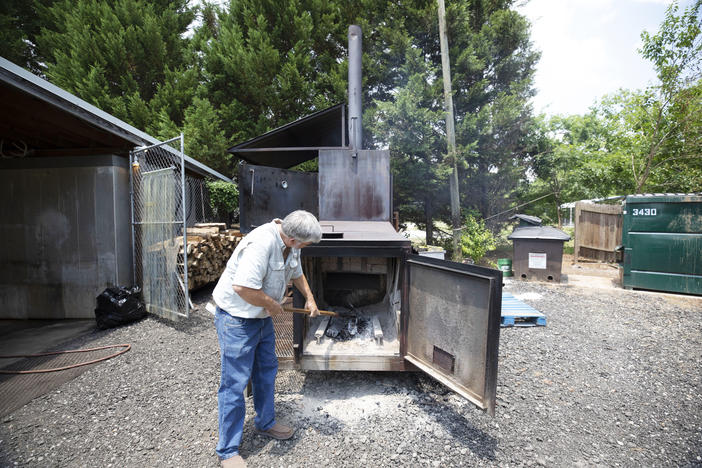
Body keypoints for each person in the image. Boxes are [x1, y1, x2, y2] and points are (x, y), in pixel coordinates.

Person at [212, 210, 322, 468]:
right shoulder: (261, 243)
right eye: (305, 244)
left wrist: (310, 297)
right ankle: (227, 450)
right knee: (234, 382)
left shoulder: (291, 241)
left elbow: (296, 271)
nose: (305, 247)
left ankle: (265, 423)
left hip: (260, 316)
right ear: (294, 239)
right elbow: (243, 287)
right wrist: (273, 305)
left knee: (266, 371)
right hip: (237, 318)